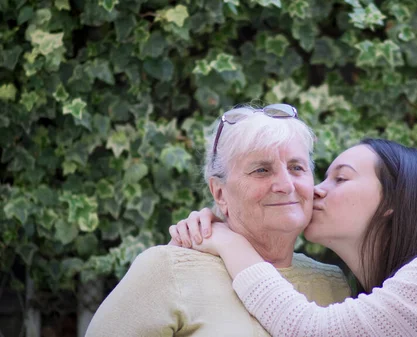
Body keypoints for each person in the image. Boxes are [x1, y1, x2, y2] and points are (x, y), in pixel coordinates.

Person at [170, 138, 417, 336]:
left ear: (391, 202)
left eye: (341, 178)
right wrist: (231, 214)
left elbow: (309, 330)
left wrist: (228, 240)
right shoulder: (358, 294)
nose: (316, 189)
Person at [85, 104, 350, 337]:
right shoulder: (166, 270)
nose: (285, 184)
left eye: (297, 168)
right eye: (261, 170)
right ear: (219, 192)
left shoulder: (332, 282)